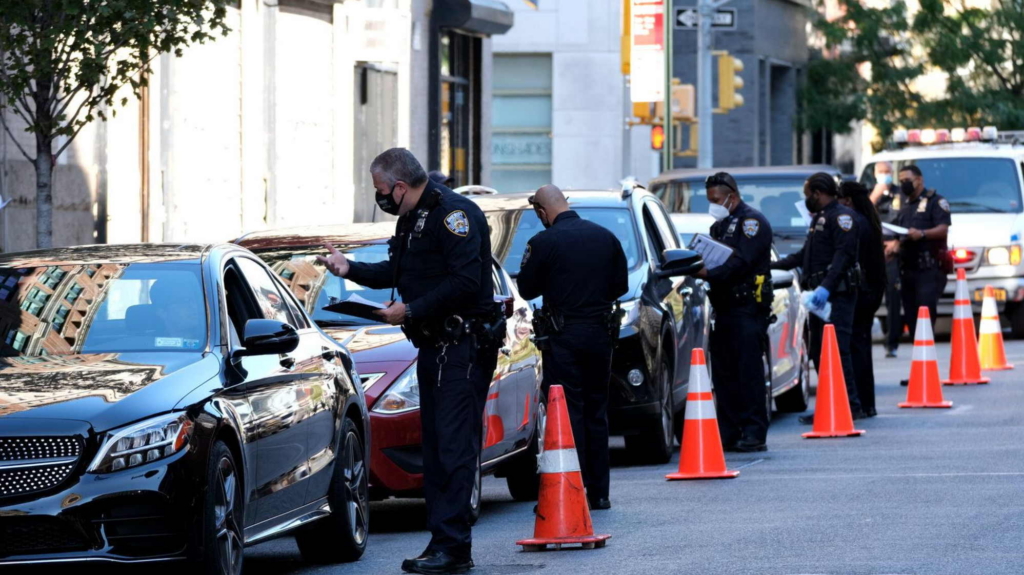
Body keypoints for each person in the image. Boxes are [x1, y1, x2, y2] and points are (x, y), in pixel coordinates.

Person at [317, 148, 500, 575]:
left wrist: (411, 311)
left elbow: (465, 282)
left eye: (381, 190)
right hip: (434, 347)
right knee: (437, 447)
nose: (379, 197)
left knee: (453, 447)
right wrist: (349, 270)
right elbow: (397, 272)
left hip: (462, 346)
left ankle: (454, 548)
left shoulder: (456, 215)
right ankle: (443, 543)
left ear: (400, 186)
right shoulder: (411, 218)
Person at [516, 185, 629, 510]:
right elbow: (619, 286)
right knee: (596, 411)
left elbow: (526, 286)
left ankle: (572, 488)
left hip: (563, 337)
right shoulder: (605, 237)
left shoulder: (543, 242)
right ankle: (600, 492)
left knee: (568, 411)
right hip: (599, 334)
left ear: (542, 211)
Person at [773, 173, 866, 421]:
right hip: (819, 297)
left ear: (817, 193)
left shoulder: (842, 217)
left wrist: (826, 287)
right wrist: (774, 265)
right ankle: (830, 402)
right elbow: (806, 255)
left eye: (807, 195)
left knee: (838, 351)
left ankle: (850, 405)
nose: (806, 201)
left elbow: (843, 257)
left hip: (837, 294)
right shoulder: (821, 218)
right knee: (818, 352)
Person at [692, 172, 774, 452]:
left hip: (747, 307)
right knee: (725, 374)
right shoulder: (720, 226)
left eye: (716, 199)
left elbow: (740, 262)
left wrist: (707, 272)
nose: (712, 205)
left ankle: (753, 431)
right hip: (724, 308)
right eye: (709, 200)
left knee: (748, 372)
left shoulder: (752, 223)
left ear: (732, 197)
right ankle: (728, 431)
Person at [890, 165, 951, 384]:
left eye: (907, 179)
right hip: (908, 270)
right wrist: (894, 245)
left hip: (929, 270)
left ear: (919, 180)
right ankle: (919, 371)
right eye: (901, 180)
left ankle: (929, 372)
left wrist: (922, 233)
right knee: (913, 322)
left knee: (926, 319)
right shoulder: (905, 206)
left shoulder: (936, 201)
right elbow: (900, 233)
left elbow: (943, 229)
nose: (903, 183)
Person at [839, 181, 886, 417]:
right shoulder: (867, 218)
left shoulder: (855, 222)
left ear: (847, 200)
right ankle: (867, 403)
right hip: (870, 290)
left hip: (861, 291)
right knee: (861, 347)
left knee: (855, 347)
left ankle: (861, 402)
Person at [870, 161, 903, 358]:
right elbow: (860, 214)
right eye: (881, 172)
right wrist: (875, 195)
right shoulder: (869, 193)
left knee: (893, 299)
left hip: (893, 251)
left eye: (887, 172)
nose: (884, 175)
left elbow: (907, 218)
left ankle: (892, 343)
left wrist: (898, 243)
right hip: (874, 251)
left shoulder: (901, 194)